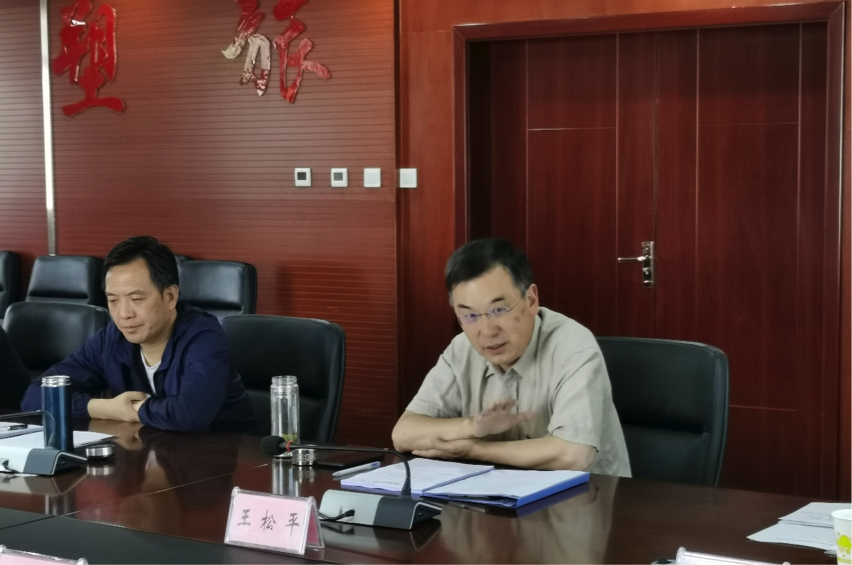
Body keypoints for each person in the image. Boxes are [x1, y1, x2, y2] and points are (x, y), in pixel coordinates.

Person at [392, 238, 631, 475]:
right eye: (470, 315)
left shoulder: (573, 347)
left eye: (499, 310)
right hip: (494, 492)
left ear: (531, 300)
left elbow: (574, 455)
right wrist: (472, 426)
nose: (487, 331)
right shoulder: (461, 349)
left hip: (590, 495)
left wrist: (475, 449)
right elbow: (403, 434)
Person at [21, 236, 255, 433]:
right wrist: (106, 408)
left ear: (170, 297)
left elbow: (190, 414)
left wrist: (131, 410)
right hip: (146, 455)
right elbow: (35, 396)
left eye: (136, 299)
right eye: (113, 301)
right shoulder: (113, 338)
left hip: (221, 459)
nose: (124, 314)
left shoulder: (204, 337)